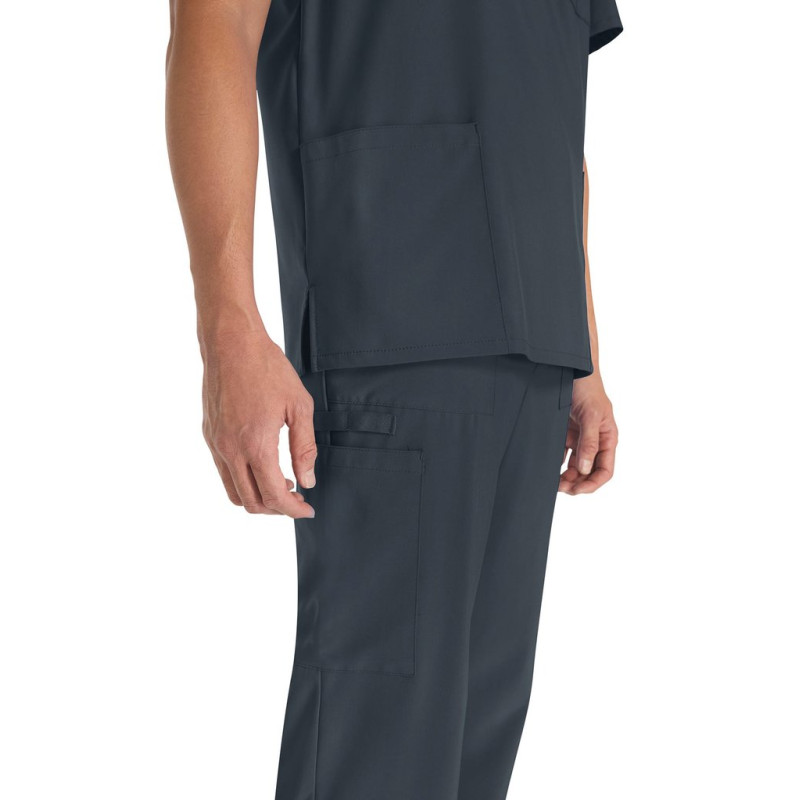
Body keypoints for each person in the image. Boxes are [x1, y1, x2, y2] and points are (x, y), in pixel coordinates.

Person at [166, 0, 622, 796]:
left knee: (474, 757)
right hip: (392, 317)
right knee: (376, 756)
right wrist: (228, 326)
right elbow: (214, 22)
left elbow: (554, 110)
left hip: (538, 355)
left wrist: (583, 353)